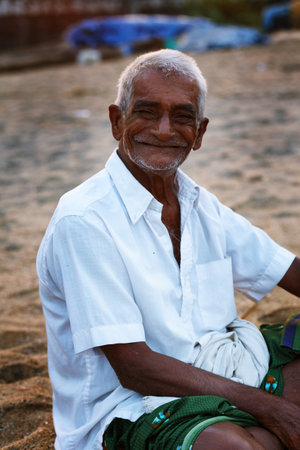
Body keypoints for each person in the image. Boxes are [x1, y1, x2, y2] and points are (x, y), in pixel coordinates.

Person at [37, 49, 300, 450]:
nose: (164, 130)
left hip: (223, 372)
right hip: (132, 406)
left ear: (200, 132)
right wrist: (270, 408)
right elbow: (135, 368)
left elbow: (288, 271)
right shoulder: (84, 220)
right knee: (233, 448)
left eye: (182, 116)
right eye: (147, 111)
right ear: (116, 120)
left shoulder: (198, 202)